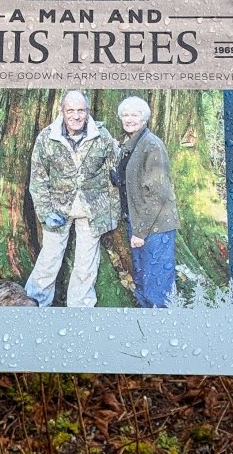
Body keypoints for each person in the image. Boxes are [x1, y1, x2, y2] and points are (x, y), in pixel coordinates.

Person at [25, 91, 120, 307]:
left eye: (81, 111)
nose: (76, 116)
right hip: (58, 209)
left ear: (87, 112)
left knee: (86, 264)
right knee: (49, 258)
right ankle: (34, 303)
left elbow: (113, 174)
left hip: (92, 209)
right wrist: (45, 212)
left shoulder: (102, 136)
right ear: (62, 111)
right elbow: (38, 179)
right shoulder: (47, 137)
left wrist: (111, 212)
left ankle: (80, 307)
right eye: (70, 110)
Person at [112, 96, 179, 308]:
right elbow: (128, 180)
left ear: (144, 118)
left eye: (134, 114)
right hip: (137, 222)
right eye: (125, 115)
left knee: (157, 287)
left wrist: (140, 233)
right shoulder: (132, 144)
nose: (129, 119)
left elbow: (158, 194)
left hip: (155, 227)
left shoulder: (152, 145)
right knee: (141, 282)